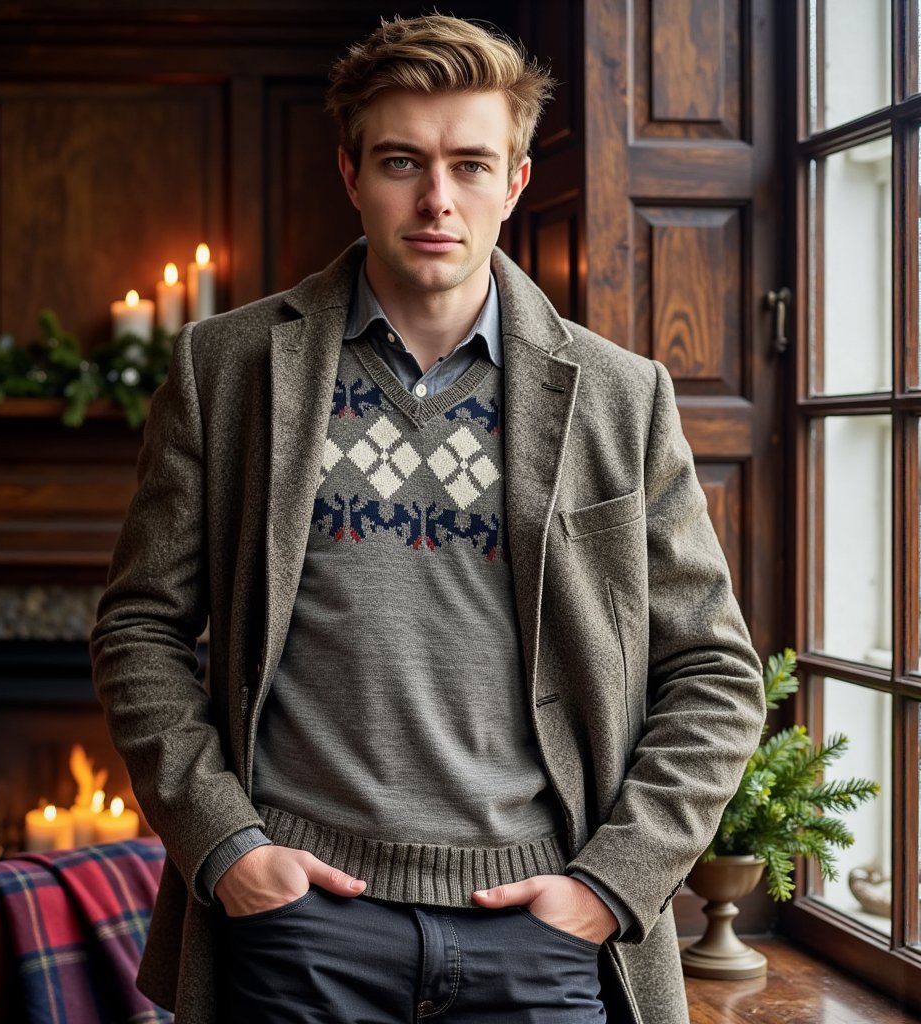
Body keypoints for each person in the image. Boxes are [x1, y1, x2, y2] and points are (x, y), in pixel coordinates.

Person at [91, 13, 765, 1024]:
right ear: (352, 173)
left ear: (516, 182)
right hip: (301, 929)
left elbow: (715, 672)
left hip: (539, 936)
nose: (437, 198)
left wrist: (609, 882)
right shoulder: (226, 371)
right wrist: (226, 844)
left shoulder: (620, 399)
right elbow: (138, 627)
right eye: (403, 161)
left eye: (470, 163)